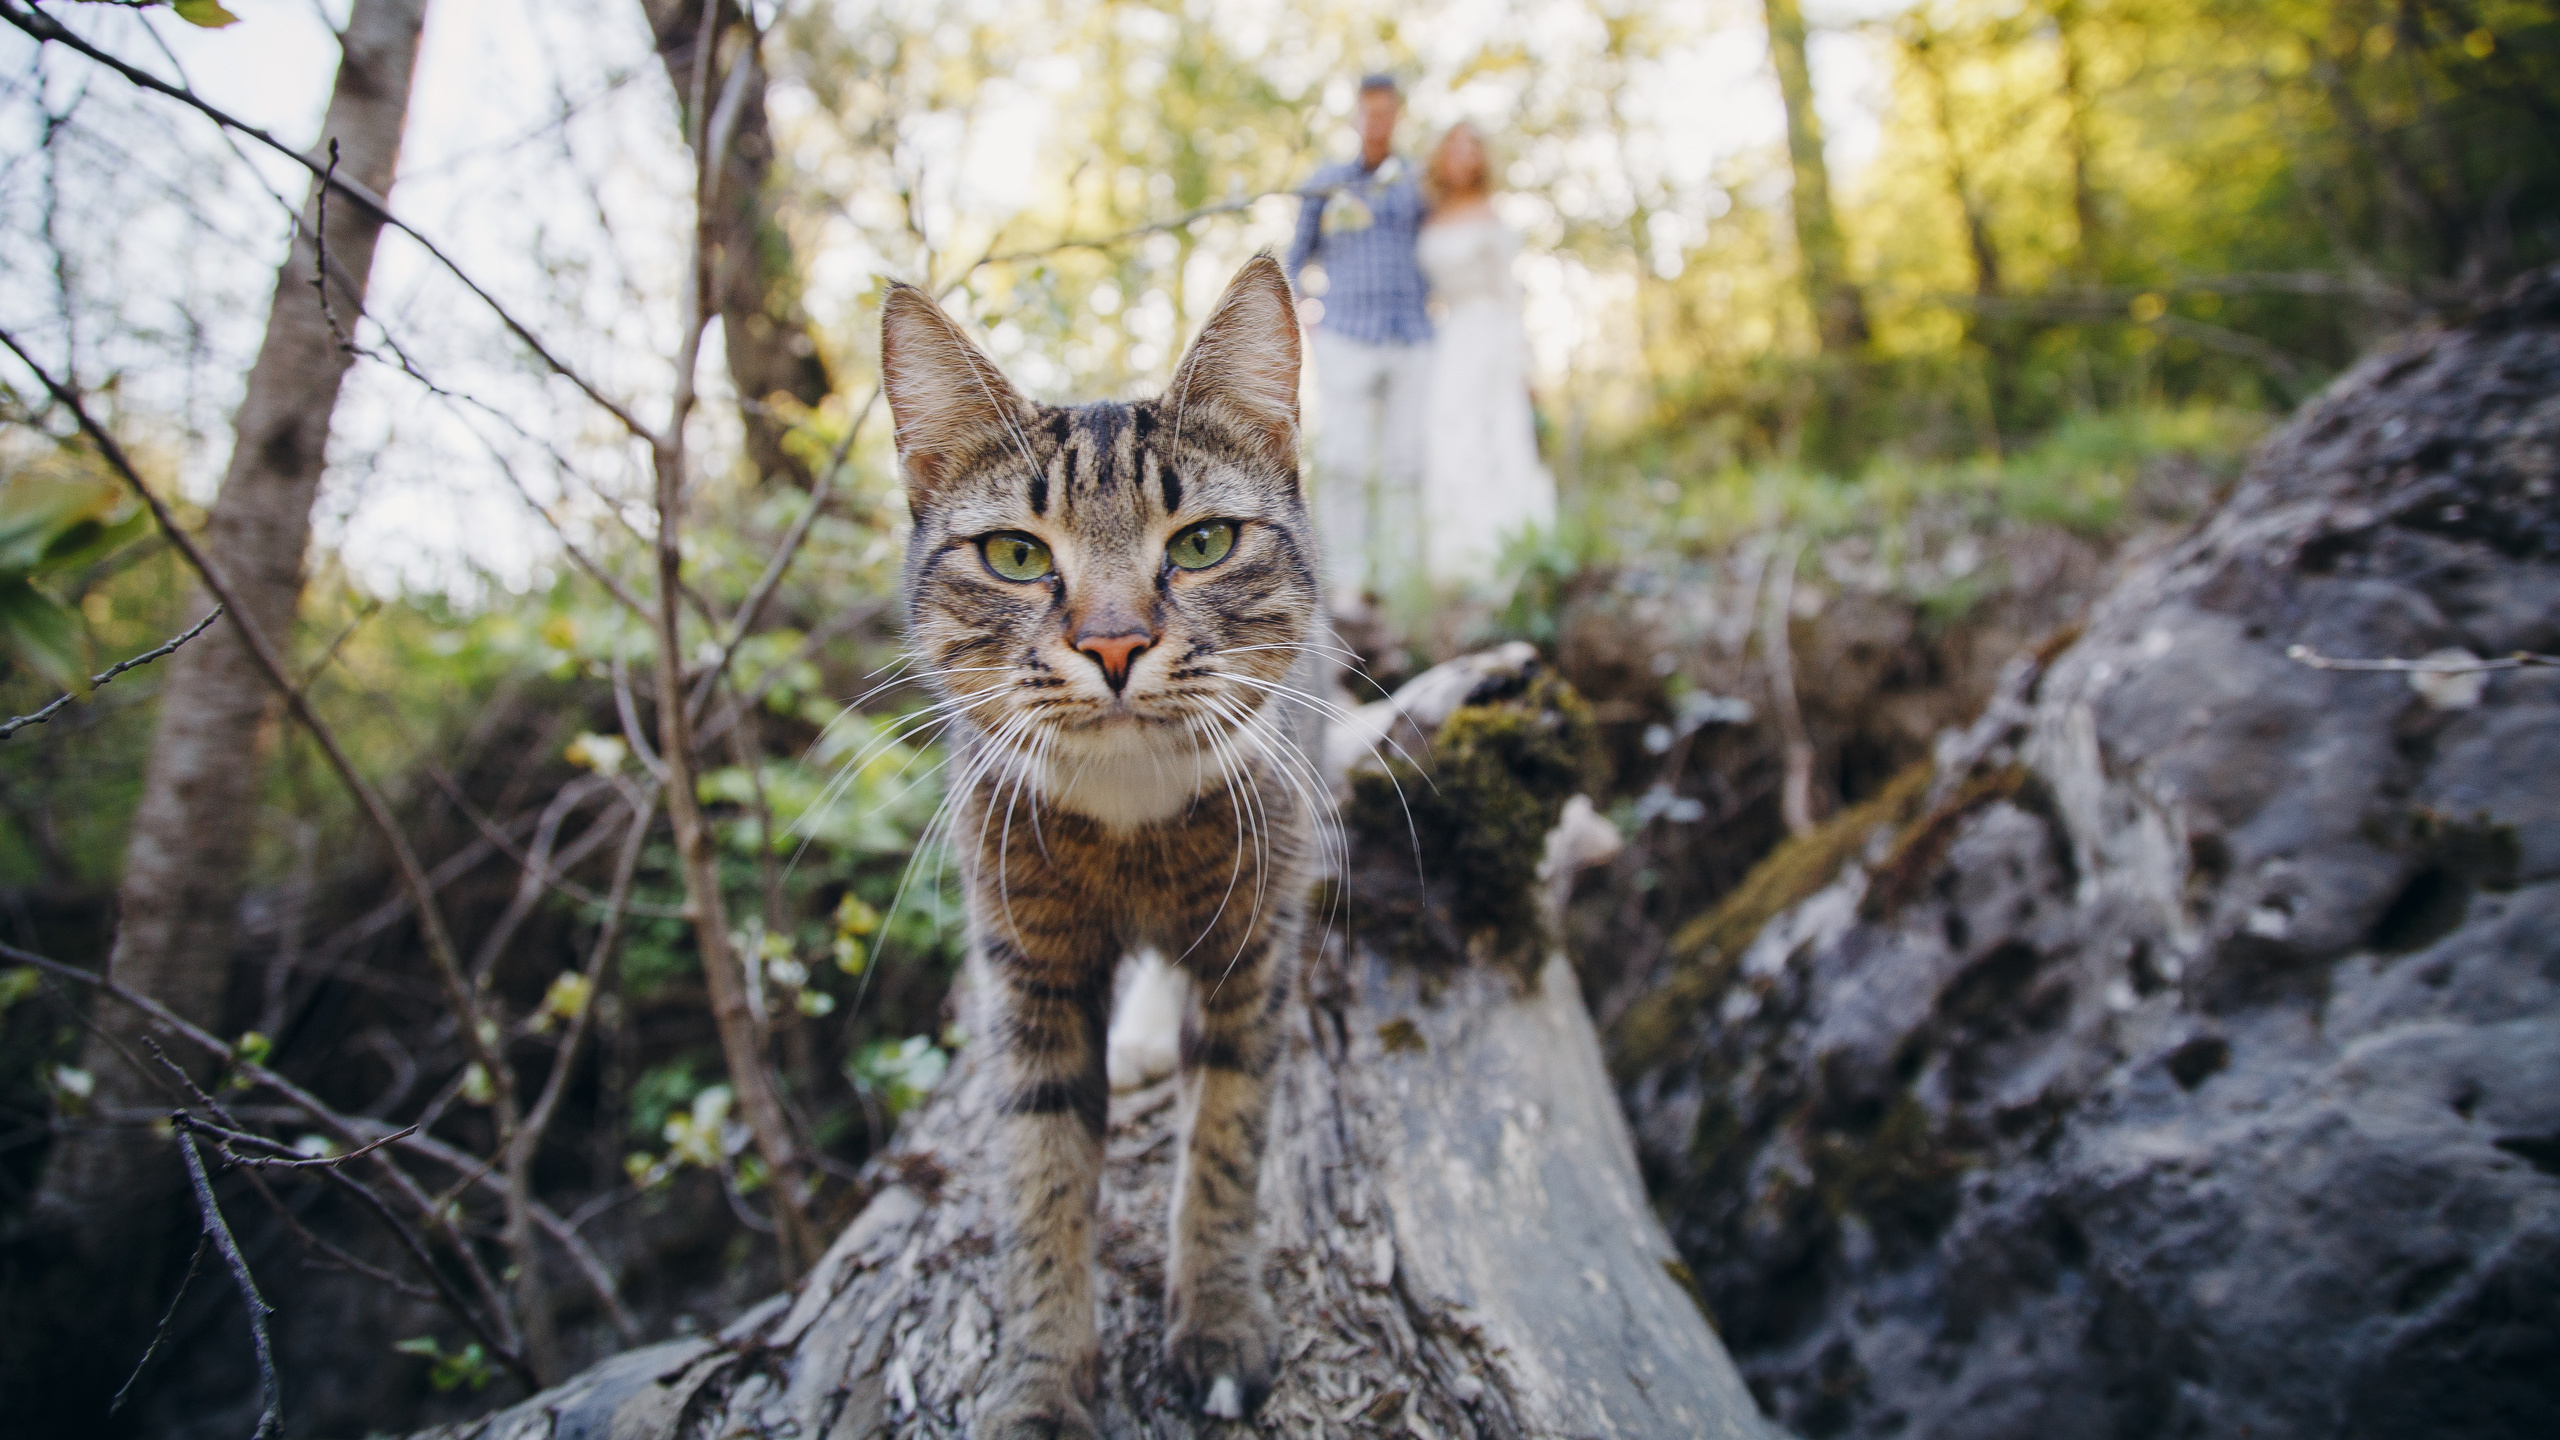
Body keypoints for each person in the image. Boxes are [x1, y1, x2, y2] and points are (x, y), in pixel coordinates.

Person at [1285, 74, 1432, 610]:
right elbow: (1295, 256)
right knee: (1344, 460)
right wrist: (1305, 315)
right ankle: (1345, 582)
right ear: (1355, 116)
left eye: (1387, 112)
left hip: (1413, 335)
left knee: (1406, 462)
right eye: (1368, 112)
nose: (1377, 121)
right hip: (1345, 333)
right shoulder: (1326, 182)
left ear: (1398, 116)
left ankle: (1398, 582)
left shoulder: (1419, 182)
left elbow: (1438, 251)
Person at [1416, 122, 1556, 586]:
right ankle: (1459, 563)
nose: (1461, 156)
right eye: (1452, 147)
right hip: (1449, 337)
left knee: (1497, 435)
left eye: (1471, 148)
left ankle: (1508, 555)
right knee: (1450, 436)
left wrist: (1524, 363)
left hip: (1491, 333)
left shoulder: (1491, 216)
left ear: (1480, 159)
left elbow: (1510, 294)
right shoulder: (1429, 215)